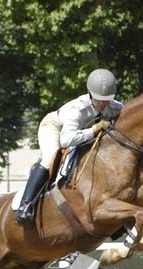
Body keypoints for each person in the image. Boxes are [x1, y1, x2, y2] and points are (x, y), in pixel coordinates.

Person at [16, 68, 123, 225]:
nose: (103, 104)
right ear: (90, 93)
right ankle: (25, 206)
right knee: (50, 158)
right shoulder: (77, 110)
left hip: (79, 134)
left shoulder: (115, 106)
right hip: (54, 127)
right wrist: (94, 129)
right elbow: (66, 140)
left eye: (107, 99)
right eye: (100, 99)